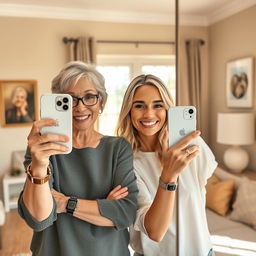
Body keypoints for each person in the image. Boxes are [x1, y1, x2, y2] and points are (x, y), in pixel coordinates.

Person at [18, 61, 138, 256]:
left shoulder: (118, 148)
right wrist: (39, 165)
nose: (80, 107)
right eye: (70, 99)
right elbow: (39, 219)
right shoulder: (44, 150)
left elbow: (125, 213)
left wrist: (65, 203)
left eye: (89, 97)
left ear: (101, 103)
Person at [116, 74, 217, 256]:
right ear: (129, 110)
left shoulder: (192, 145)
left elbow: (203, 183)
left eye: (158, 105)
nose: (149, 114)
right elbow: (153, 231)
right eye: (139, 106)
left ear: (167, 109)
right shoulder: (125, 163)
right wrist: (168, 175)